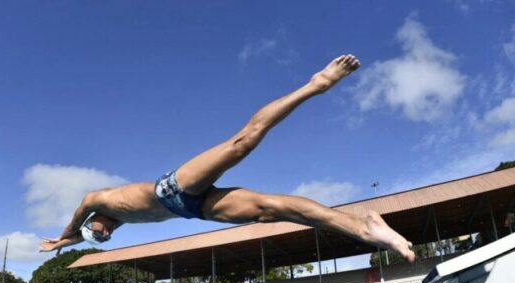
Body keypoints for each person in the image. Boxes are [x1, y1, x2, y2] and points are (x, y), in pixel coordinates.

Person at [39, 55, 416, 262]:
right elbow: (83, 238)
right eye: (101, 238)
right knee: (270, 210)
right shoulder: (121, 220)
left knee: (242, 143)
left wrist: (64, 235)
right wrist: (70, 245)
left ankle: (315, 85)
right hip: (195, 210)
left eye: (97, 231)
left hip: (172, 188)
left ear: (91, 221)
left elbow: (80, 212)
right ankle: (362, 227)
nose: (103, 234)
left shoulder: (100, 201)